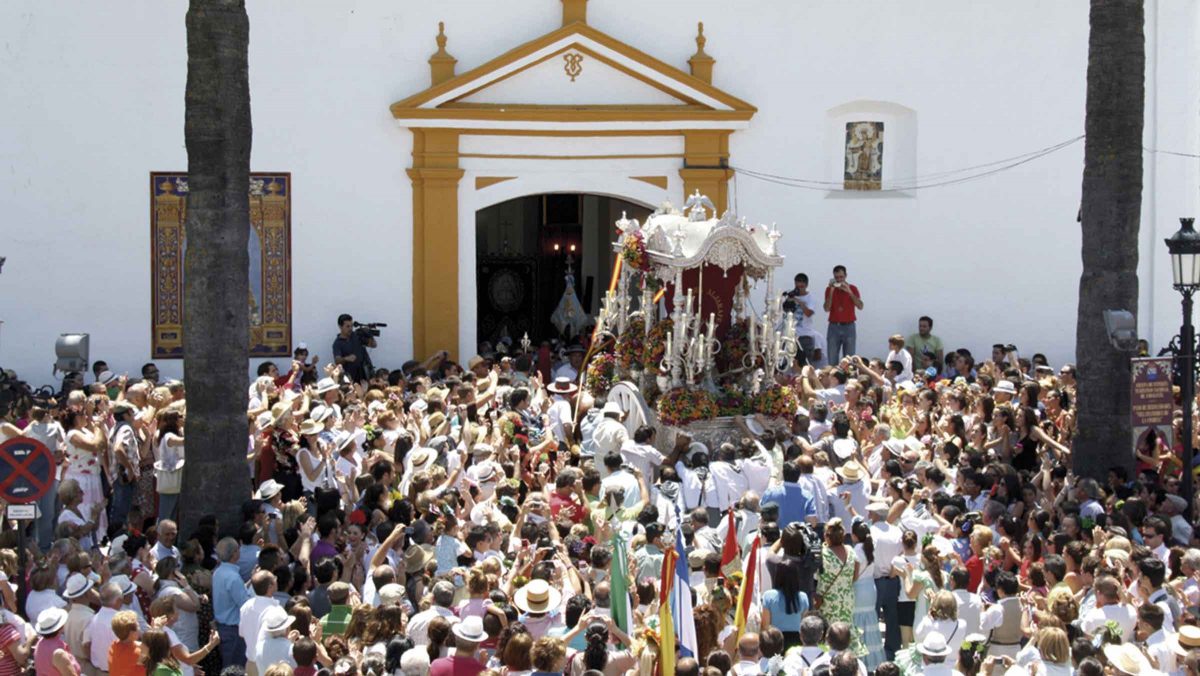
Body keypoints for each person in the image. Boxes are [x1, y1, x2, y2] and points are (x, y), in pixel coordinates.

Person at [823, 265, 863, 361]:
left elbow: (860, 306)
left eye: (841, 277)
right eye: (837, 278)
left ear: (846, 276)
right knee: (832, 358)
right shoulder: (829, 289)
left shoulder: (853, 288)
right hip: (834, 326)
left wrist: (849, 291)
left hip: (849, 326)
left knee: (849, 360)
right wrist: (832, 290)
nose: (839, 280)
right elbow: (826, 308)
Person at [332, 314, 375, 383]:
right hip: (351, 378)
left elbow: (373, 345)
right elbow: (337, 360)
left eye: (351, 326)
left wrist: (370, 335)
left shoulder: (357, 335)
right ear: (340, 327)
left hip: (365, 374)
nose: (350, 328)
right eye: (347, 326)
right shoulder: (337, 343)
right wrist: (346, 358)